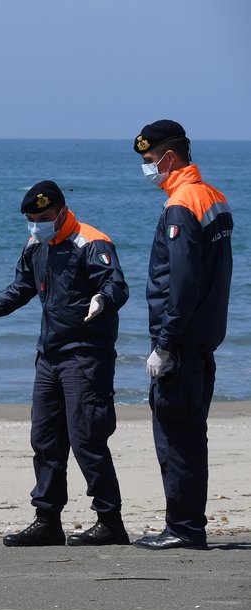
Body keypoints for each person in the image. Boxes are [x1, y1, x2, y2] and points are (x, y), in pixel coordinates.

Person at [0, 181, 130, 547]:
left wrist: (103, 298)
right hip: (49, 357)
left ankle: (110, 521)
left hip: (86, 356)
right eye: (32, 219)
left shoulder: (90, 242)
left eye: (44, 217)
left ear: (62, 211)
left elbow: (117, 284)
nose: (37, 225)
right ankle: (47, 520)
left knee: (87, 439)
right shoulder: (35, 246)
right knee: (45, 440)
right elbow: (17, 292)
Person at [131, 120, 233, 551]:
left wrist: (165, 344)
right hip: (205, 338)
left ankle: (184, 528)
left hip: (182, 342)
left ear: (169, 157)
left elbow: (183, 283)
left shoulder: (182, 204)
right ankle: (188, 523)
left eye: (149, 160)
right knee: (191, 432)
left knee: (175, 436)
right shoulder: (213, 197)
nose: (147, 169)